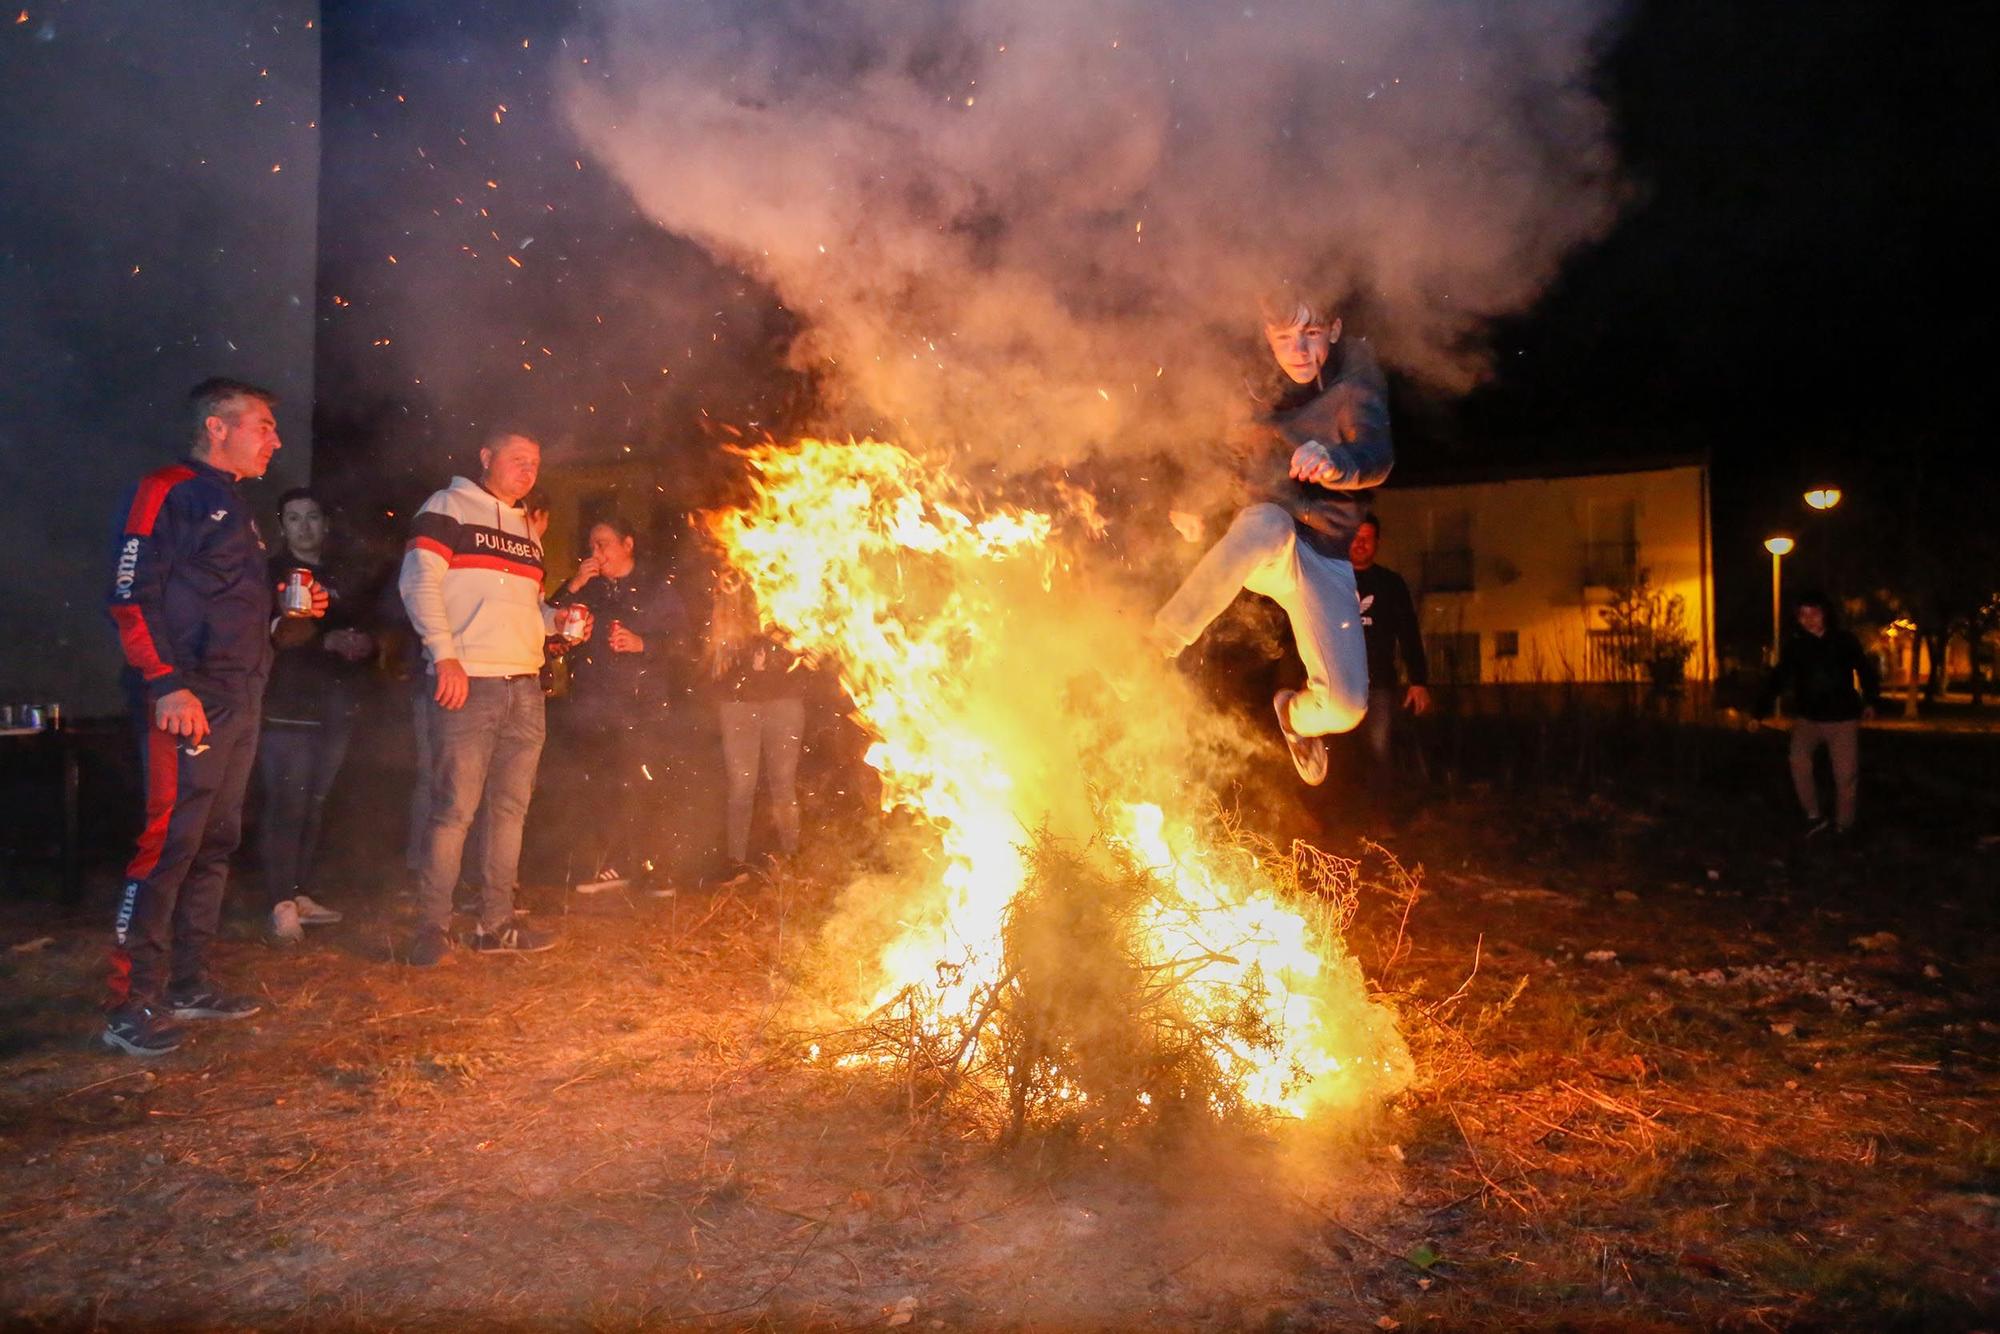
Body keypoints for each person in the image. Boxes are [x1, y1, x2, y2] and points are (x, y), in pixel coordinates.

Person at [102, 377, 327, 1056]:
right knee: (169, 844)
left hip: (240, 697)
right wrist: (167, 685)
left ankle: (188, 983)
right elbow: (128, 594)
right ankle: (127, 1003)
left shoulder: (235, 505)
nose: (276, 440)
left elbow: (234, 613)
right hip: (188, 699)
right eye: (263, 425)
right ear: (217, 426)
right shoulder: (166, 489)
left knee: (214, 842)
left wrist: (293, 615)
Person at [1154, 288, 1392, 784]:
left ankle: (1295, 717)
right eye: (1284, 339)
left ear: (1335, 329)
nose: (1299, 354)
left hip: (1325, 552)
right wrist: (1196, 502)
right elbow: (1228, 453)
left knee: (1346, 707)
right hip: (1269, 539)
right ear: (1268, 337)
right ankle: (1157, 645)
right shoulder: (1249, 383)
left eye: (1310, 335)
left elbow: (1377, 454)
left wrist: (1336, 463)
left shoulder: (1355, 375)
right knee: (1266, 520)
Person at [398, 433, 585, 963]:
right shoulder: (447, 506)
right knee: (454, 809)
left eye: (536, 462)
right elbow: (418, 584)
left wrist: (559, 624)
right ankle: (432, 928)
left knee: (510, 810)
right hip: (468, 682)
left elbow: (528, 608)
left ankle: (495, 924)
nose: (529, 470)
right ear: (485, 459)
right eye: (518, 459)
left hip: (525, 686)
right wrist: (445, 655)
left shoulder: (528, 529)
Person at [259, 488, 373, 944]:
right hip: (286, 705)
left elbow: (362, 627)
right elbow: (268, 633)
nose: (304, 527)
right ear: (282, 527)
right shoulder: (270, 574)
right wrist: (317, 639)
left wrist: (365, 644)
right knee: (286, 803)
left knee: (316, 803)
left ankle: (300, 891)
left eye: (312, 517)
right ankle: (279, 902)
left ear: (325, 524)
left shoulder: (340, 575)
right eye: (294, 519)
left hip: (334, 705)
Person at [555, 516, 690, 894]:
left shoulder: (656, 589)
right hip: (595, 705)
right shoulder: (589, 588)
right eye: (592, 546)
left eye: (604, 544)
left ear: (627, 544)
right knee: (602, 786)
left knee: (647, 784)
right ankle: (612, 865)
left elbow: (685, 643)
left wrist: (644, 644)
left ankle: (657, 866)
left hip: (643, 705)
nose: (596, 553)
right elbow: (551, 620)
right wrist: (575, 584)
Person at [1758, 591, 1881, 837]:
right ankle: (1813, 816)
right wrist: (1761, 707)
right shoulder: (1796, 646)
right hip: (1808, 718)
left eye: (1814, 613)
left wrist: (1870, 701)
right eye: (1803, 615)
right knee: (1798, 760)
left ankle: (1843, 825)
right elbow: (1780, 676)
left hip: (1842, 718)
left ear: (1825, 613)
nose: (1809, 619)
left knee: (1845, 776)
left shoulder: (1844, 641)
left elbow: (1865, 670)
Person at [708, 570, 805, 881]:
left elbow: (802, 649)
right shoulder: (726, 597)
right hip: (738, 705)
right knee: (741, 786)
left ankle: (790, 858)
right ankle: (736, 863)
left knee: (783, 783)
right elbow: (714, 663)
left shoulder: (784, 584)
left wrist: (773, 658)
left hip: (783, 700)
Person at [1348, 514, 1430, 771]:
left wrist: (1418, 681)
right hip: (1335, 685)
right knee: (1339, 758)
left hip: (1378, 686)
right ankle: (1335, 809)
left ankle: (1379, 809)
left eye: (1367, 538)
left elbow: (1408, 632)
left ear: (1377, 543)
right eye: (1354, 537)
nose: (1360, 544)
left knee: (1377, 752)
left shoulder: (1390, 584)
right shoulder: (1330, 579)